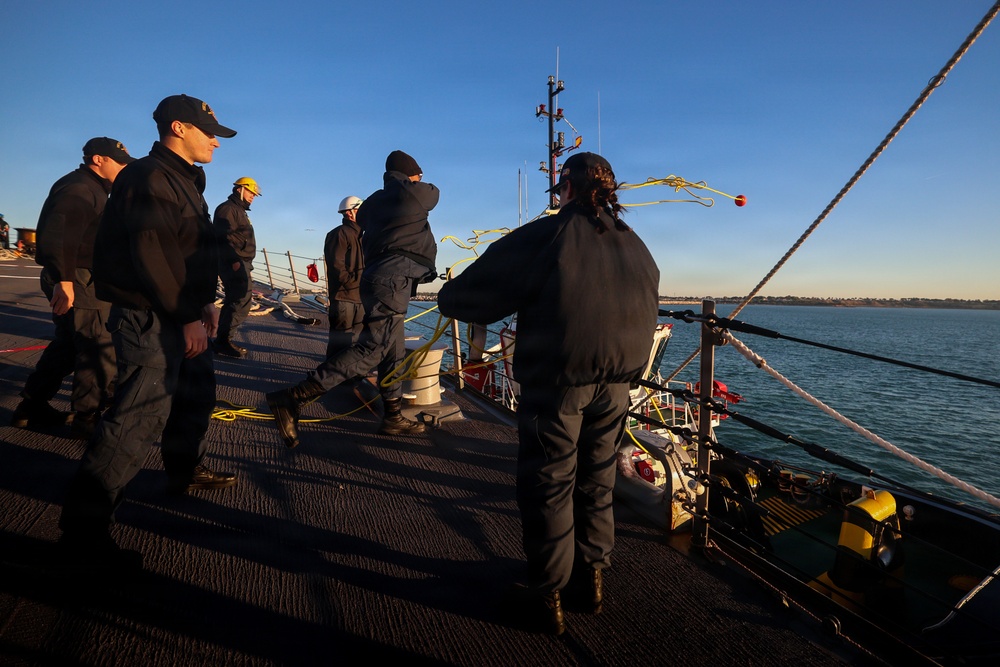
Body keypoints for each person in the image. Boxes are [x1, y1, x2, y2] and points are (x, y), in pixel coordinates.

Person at [437, 152, 660, 635]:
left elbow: (477, 292)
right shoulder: (637, 245)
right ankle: (591, 580)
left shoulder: (549, 234)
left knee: (550, 484)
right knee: (597, 480)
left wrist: (447, 297)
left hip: (560, 383)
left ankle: (546, 595)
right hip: (618, 385)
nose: (557, 198)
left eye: (559, 190)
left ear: (569, 188)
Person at [59, 94, 239, 570]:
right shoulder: (149, 177)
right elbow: (153, 253)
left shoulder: (183, 180)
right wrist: (185, 317)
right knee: (135, 422)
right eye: (210, 134)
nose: (216, 144)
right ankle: (83, 535)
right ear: (179, 128)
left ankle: (184, 470)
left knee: (196, 396)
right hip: (153, 318)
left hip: (183, 310)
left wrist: (205, 303)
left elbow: (189, 252)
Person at [267, 150, 438, 444]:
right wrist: (412, 180)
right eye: (417, 175)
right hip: (392, 279)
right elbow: (433, 194)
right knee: (374, 348)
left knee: (393, 348)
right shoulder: (413, 194)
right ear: (408, 176)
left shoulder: (373, 203)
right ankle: (293, 398)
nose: (421, 179)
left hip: (379, 279)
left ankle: (393, 415)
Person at [10, 138, 135, 440]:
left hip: (74, 277)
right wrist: (64, 281)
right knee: (95, 346)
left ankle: (31, 407)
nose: (124, 168)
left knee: (68, 345)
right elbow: (58, 233)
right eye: (120, 162)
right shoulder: (81, 187)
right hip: (78, 279)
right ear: (97, 159)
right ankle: (86, 418)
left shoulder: (91, 188)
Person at [213, 176, 261, 357]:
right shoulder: (228, 209)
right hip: (235, 262)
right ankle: (223, 341)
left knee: (238, 301)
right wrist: (234, 261)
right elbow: (223, 237)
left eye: (255, 194)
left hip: (241, 262)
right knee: (239, 301)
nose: (253, 196)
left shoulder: (239, 211)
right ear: (239, 189)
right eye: (250, 192)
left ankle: (222, 340)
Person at [324, 195, 364, 358]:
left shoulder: (363, 235)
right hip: (344, 296)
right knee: (340, 340)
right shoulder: (339, 234)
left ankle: (347, 374)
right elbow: (336, 265)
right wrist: (352, 282)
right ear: (350, 213)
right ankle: (333, 377)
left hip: (360, 296)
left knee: (356, 339)